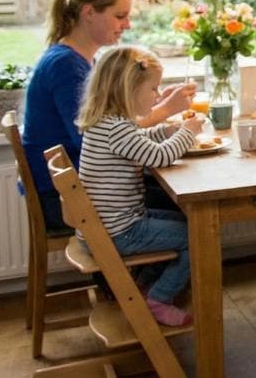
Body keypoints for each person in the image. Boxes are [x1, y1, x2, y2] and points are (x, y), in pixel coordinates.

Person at [22, 0, 195, 230]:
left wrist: (153, 100)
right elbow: (94, 133)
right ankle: (142, 268)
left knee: (176, 196)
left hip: (77, 188)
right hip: (63, 198)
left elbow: (111, 126)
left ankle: (148, 268)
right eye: (120, 16)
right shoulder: (66, 67)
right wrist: (166, 109)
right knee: (185, 203)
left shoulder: (81, 59)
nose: (127, 25)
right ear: (89, 12)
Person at [76, 45, 203, 326]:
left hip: (107, 226)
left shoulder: (108, 122)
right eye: (153, 89)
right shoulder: (117, 128)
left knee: (188, 221)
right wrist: (186, 132)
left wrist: (165, 130)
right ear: (127, 89)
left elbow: (140, 140)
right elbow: (160, 156)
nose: (158, 96)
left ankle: (144, 286)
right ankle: (159, 298)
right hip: (119, 232)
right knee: (199, 235)